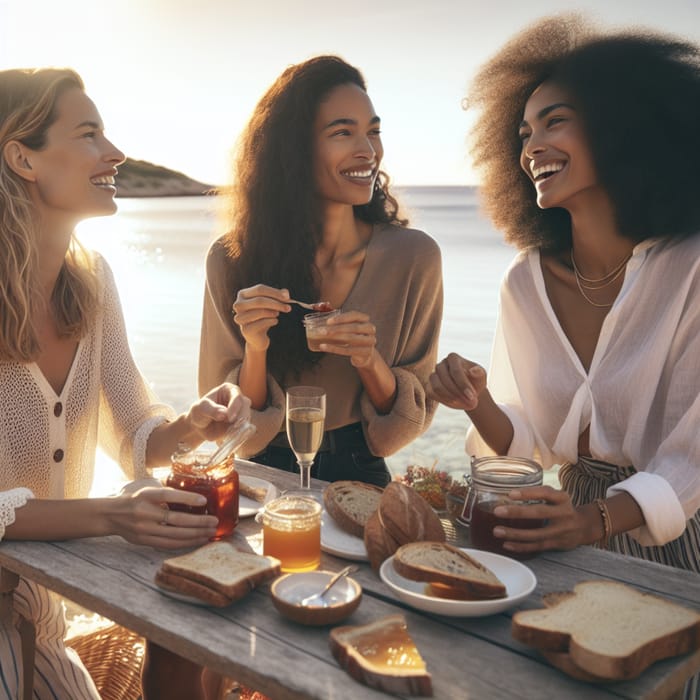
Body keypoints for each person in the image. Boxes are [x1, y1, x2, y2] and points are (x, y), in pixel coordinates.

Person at [0, 68, 250, 699]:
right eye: (89, 134)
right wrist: (115, 515)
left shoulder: (92, 280)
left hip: (38, 615)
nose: (115, 152)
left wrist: (193, 424)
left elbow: (137, 434)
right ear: (21, 157)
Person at [428, 15, 700, 573]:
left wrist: (592, 519)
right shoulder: (525, 283)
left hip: (682, 546)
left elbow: (691, 458)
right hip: (564, 540)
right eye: (524, 133)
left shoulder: (690, 269)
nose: (533, 147)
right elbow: (527, 443)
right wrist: (475, 401)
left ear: (621, 128)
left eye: (555, 123)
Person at [199, 55, 443, 487]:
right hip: (259, 475)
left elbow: (404, 426)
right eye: (342, 132)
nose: (368, 151)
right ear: (294, 150)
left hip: (359, 472)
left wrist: (369, 360)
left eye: (373, 131)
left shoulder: (414, 258)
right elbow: (231, 427)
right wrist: (256, 347)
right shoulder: (230, 259)